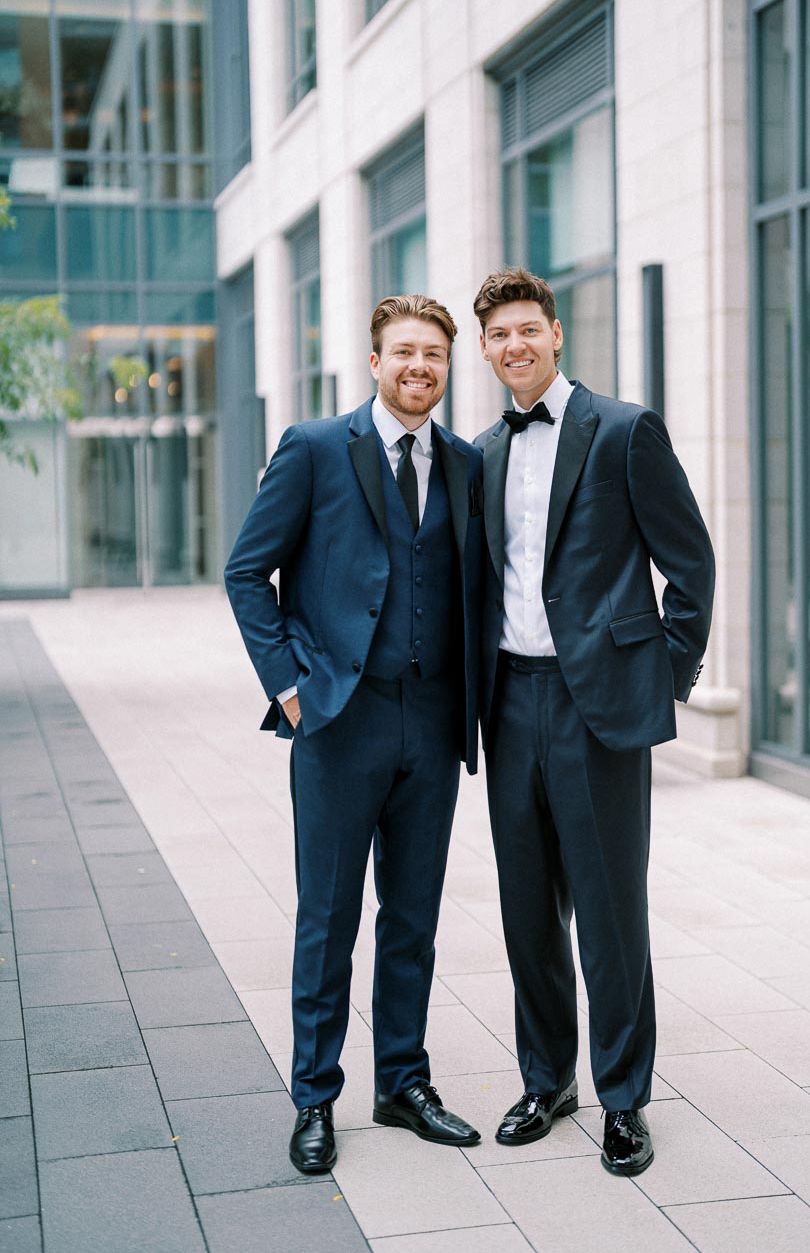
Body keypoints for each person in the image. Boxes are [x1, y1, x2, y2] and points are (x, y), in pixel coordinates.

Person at [225, 294, 484, 1173]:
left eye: (435, 356)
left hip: (434, 719)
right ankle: (314, 1097)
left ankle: (402, 1082)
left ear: (449, 368)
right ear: (374, 361)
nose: (420, 368)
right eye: (405, 353)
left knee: (412, 918)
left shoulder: (462, 462)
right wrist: (291, 688)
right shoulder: (313, 448)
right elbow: (245, 572)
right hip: (339, 719)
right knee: (327, 918)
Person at [474, 267, 715, 1175]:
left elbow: (690, 564)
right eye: (499, 336)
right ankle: (547, 1081)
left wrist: (663, 677)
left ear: (556, 333)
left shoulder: (623, 430)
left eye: (527, 329)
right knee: (526, 906)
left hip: (598, 706)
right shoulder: (481, 450)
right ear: (488, 350)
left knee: (611, 910)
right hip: (508, 700)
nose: (515, 347)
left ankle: (624, 1097)